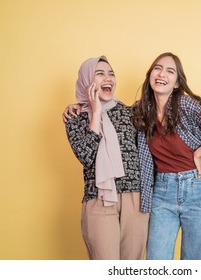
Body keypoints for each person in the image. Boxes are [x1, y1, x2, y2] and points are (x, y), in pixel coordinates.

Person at [63, 52, 201, 260]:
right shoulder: (135, 112)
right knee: (153, 261)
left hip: (189, 188)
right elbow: (93, 144)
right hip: (155, 192)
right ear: (149, 75)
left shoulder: (170, 107)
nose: (162, 74)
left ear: (176, 83)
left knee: (195, 259)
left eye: (170, 71)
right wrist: (86, 107)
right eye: (157, 68)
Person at [64, 56, 149, 260]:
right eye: (100, 74)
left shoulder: (131, 113)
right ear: (87, 81)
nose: (108, 78)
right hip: (99, 197)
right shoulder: (75, 117)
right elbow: (86, 156)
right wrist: (95, 111)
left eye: (111, 74)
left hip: (135, 199)